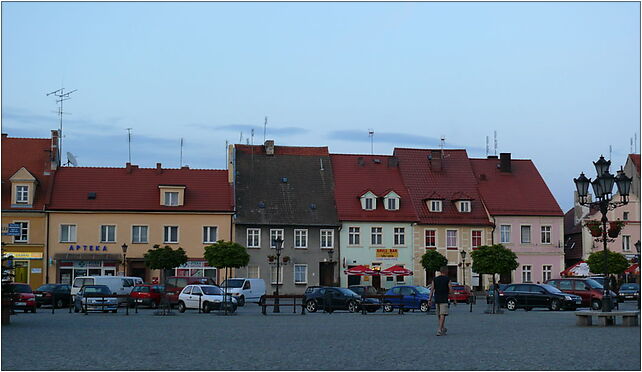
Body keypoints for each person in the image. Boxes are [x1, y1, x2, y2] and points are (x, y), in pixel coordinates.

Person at [428, 266, 452, 336]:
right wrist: (454, 298)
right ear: (446, 271)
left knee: (439, 315)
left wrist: (429, 299)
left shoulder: (435, 279)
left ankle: (442, 328)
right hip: (444, 299)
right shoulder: (447, 279)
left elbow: (432, 290)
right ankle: (439, 330)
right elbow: (451, 289)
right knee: (442, 314)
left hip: (437, 298)